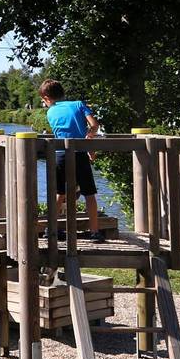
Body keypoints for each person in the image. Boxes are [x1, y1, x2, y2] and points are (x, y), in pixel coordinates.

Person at [40, 79, 105, 239]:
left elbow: (63, 132)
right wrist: (89, 137)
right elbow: (94, 125)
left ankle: (51, 229)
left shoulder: (50, 112)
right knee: (89, 194)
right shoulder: (78, 104)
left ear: (47, 98)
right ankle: (95, 232)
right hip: (80, 152)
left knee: (59, 193)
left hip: (61, 154)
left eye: (43, 100)